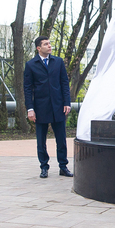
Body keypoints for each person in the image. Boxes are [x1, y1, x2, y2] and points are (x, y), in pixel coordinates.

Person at [24, 36, 72, 178]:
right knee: (41, 140)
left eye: (49, 43)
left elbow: (64, 83)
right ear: (38, 48)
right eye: (46, 44)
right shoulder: (31, 64)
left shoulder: (58, 62)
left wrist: (67, 102)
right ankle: (44, 167)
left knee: (61, 139)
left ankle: (63, 166)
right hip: (40, 107)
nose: (49, 46)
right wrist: (30, 108)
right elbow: (27, 89)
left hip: (58, 106)